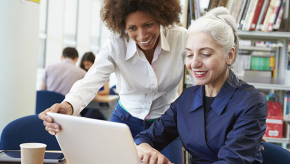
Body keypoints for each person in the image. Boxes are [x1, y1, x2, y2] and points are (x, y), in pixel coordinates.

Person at [38, 0, 185, 163]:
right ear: (122, 25)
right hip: (125, 121)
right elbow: (91, 80)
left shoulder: (181, 38)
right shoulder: (115, 45)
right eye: (132, 28)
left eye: (148, 24)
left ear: (161, 17)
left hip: (166, 124)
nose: (142, 36)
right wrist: (69, 105)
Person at [134, 7, 267, 164]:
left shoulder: (251, 102)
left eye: (205, 54)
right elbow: (147, 137)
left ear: (229, 55)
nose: (194, 64)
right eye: (189, 54)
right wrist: (146, 150)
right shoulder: (187, 98)